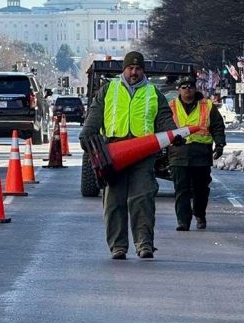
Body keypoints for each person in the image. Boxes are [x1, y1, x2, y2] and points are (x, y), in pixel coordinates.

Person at [81, 51, 179, 260]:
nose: (133, 72)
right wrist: (87, 134)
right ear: (123, 70)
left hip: (143, 153)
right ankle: (118, 246)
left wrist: (173, 135)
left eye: (137, 69)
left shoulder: (153, 93)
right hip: (114, 153)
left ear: (143, 70)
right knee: (114, 202)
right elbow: (95, 115)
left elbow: (164, 119)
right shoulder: (109, 90)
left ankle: (144, 244)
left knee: (142, 198)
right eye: (130, 68)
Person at [168, 75, 226, 231]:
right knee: (181, 189)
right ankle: (183, 221)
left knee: (200, 189)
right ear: (179, 90)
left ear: (195, 88)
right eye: (184, 87)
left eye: (190, 87)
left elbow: (217, 126)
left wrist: (220, 144)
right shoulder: (171, 106)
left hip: (201, 155)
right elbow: (163, 127)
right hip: (178, 154)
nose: (188, 90)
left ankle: (199, 214)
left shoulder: (207, 106)